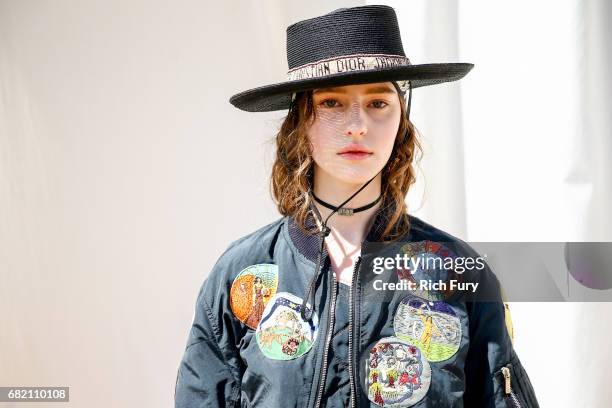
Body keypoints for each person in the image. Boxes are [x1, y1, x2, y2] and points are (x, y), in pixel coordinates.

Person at [175, 5, 539, 408]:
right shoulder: (242, 274)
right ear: (301, 121)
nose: (358, 125)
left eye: (378, 103)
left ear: (402, 117)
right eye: (332, 103)